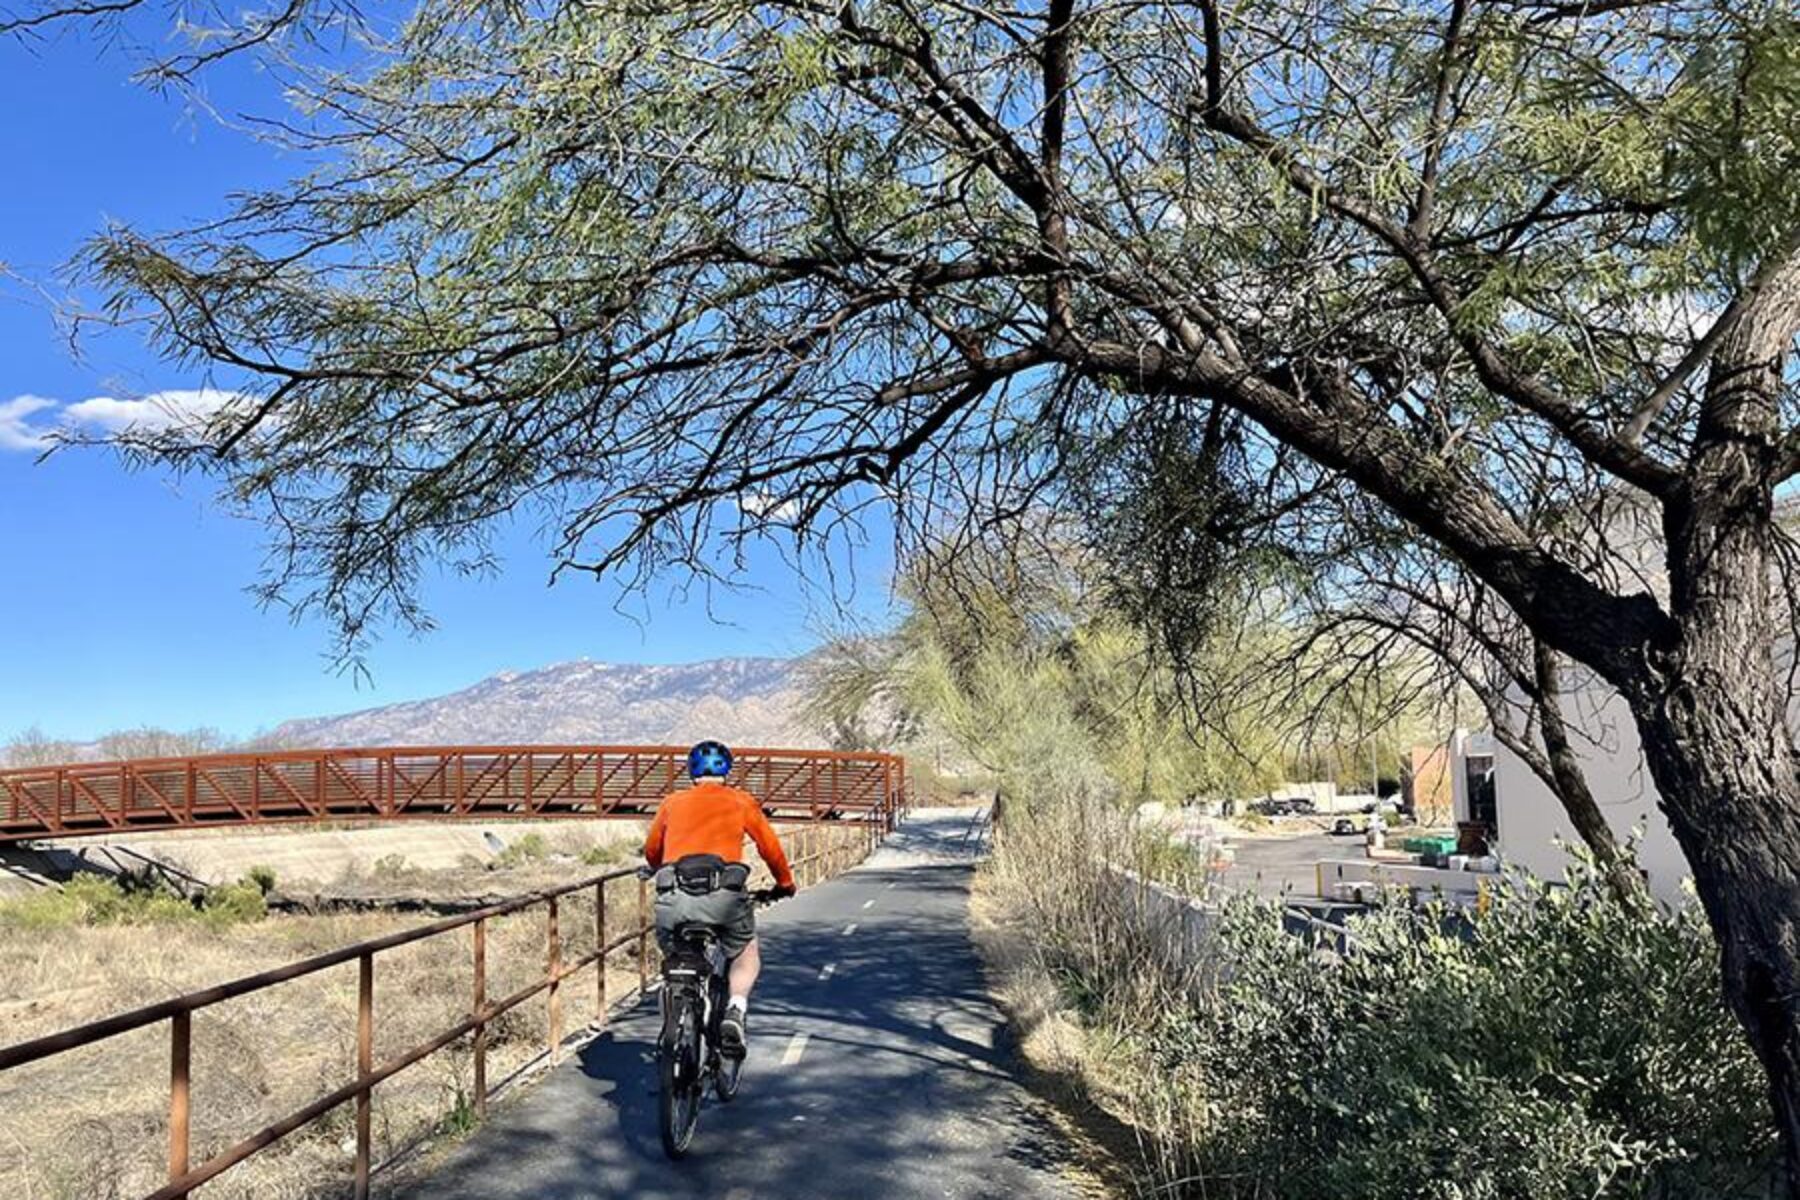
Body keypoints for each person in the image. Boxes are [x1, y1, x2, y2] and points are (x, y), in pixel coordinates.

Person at [643, 740, 796, 1056]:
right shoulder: (741, 801)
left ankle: (674, 1025)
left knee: (677, 958)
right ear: (727, 770)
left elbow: (652, 851)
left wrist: (660, 866)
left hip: (674, 899)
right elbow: (770, 848)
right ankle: (735, 1010)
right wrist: (785, 883)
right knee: (745, 950)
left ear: (691, 771)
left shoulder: (671, 803)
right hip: (724, 900)